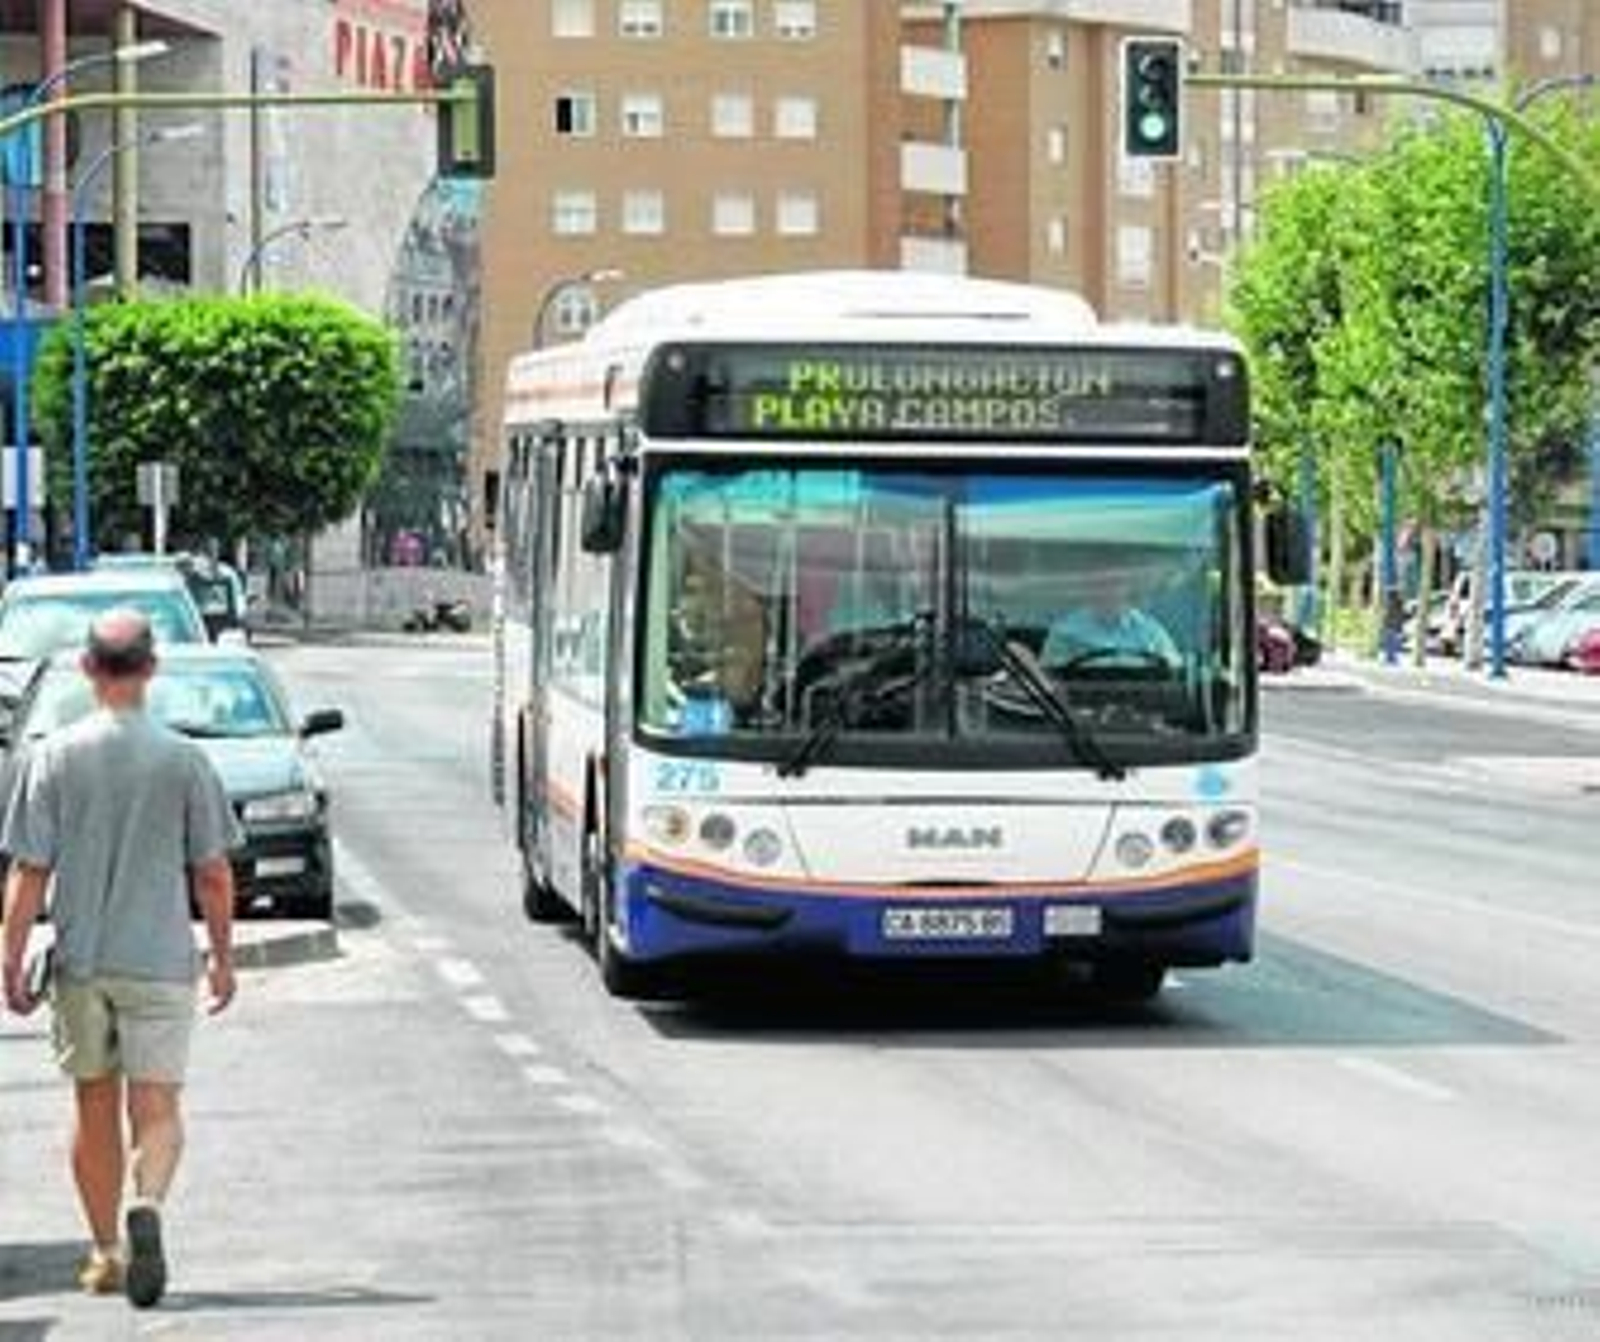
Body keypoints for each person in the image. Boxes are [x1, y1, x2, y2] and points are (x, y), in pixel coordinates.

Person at [0, 609, 241, 1309]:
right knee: (158, 1105)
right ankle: (151, 1207)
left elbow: (30, 871)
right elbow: (214, 873)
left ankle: (105, 1249)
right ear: (151, 669)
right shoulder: (184, 759)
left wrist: (11, 954)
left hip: (82, 960)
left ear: (86, 669)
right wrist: (222, 958)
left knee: (92, 1102)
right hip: (161, 960)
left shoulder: (53, 757)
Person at [1040, 568, 1180, 668]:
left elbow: (1173, 674)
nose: (1108, 591)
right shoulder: (1065, 633)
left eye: (1115, 583)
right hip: (1075, 708)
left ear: (1127, 588)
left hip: (1142, 706)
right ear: (1089, 589)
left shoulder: (1151, 633)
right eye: (1101, 584)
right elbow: (1051, 681)